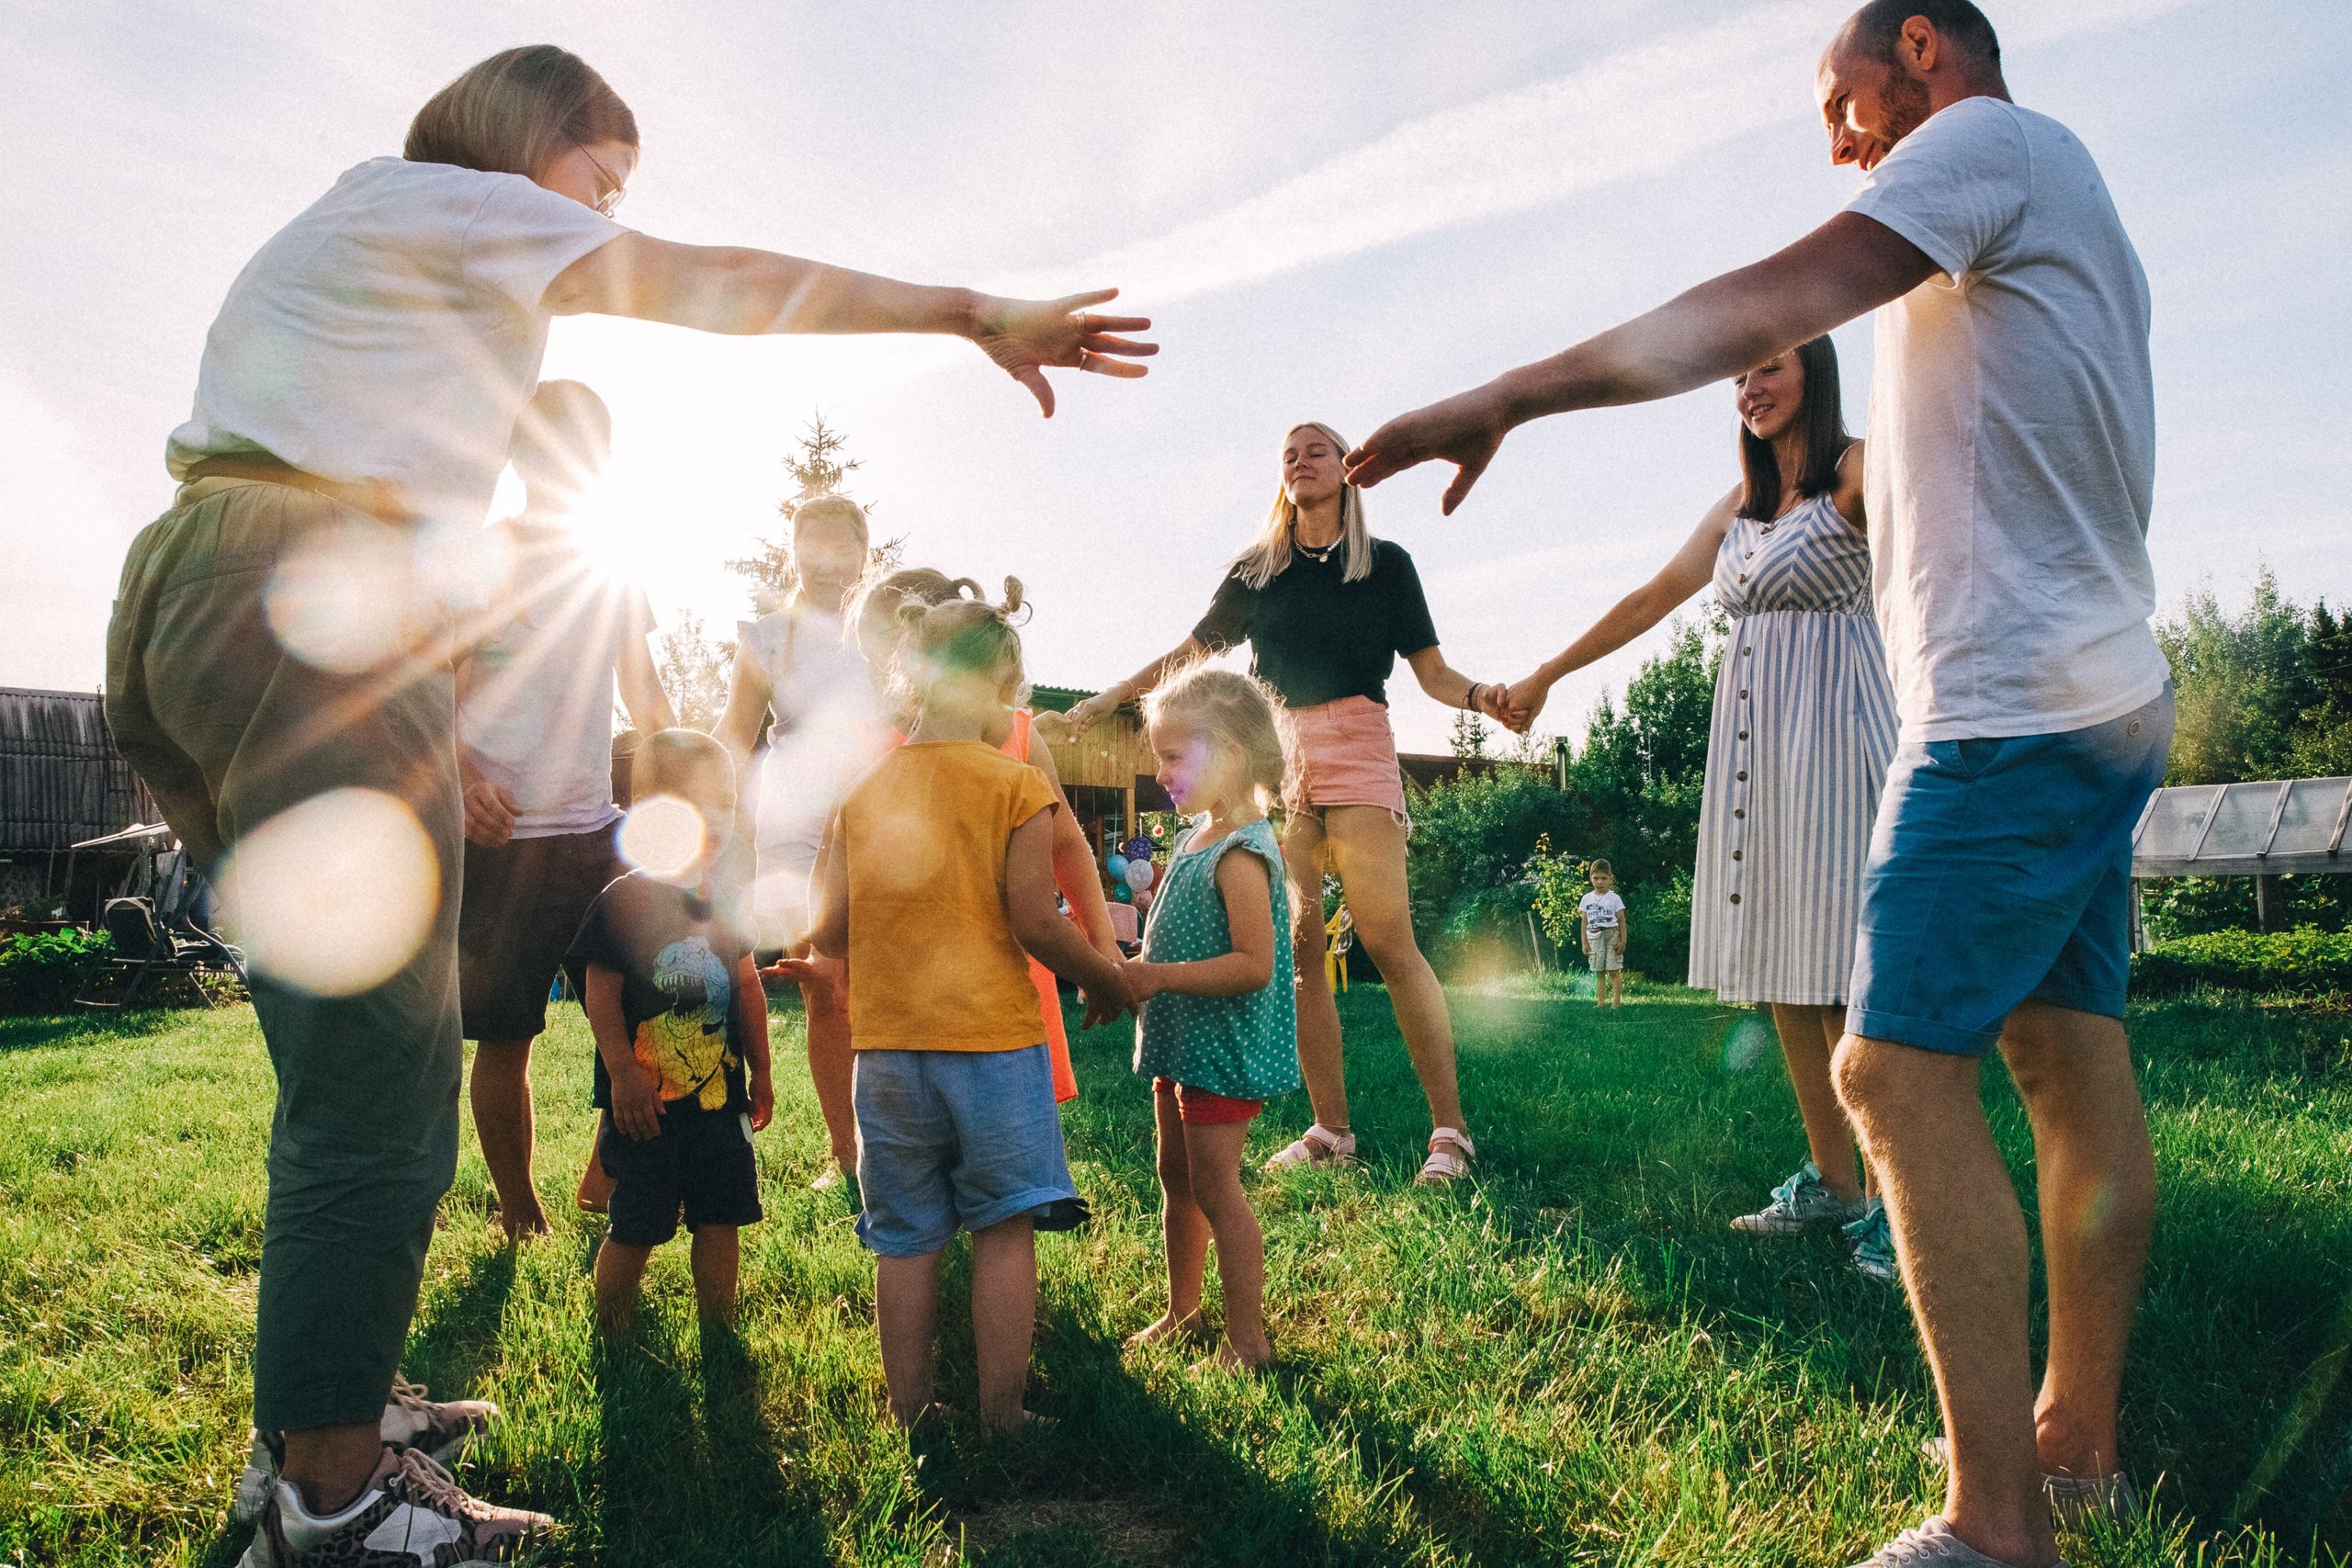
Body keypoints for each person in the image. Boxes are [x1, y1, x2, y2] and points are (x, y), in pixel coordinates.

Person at [102, 43, 1156, 1559]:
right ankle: (334, 1506)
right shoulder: (463, 204)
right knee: (382, 1080)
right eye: (601, 177)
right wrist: (972, 313)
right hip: (291, 580)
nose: (604, 212)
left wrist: (426, 713)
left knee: (329, 1060)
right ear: (535, 146)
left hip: (196, 591)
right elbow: (707, 282)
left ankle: (337, 1403)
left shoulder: (375, 236)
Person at [1345, 5, 2168, 1564]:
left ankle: (1995, 1527)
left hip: (2005, 713)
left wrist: (1508, 393)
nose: (1841, 141)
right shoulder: (2068, 191)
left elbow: (1763, 304)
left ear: (1919, 49)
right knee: (2065, 1060)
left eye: (1840, 103)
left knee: (1892, 1074)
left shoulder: (1982, 143)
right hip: (2098, 688)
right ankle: (2074, 1440)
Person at [1501, 337, 1895, 1258]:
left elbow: (1950, 543)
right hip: (1755, 747)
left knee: (1847, 978)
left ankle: (1895, 1206)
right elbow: (1651, 598)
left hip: (1838, 737)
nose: (1749, 388)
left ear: (1815, 375)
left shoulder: (1858, 473)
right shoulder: (1742, 505)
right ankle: (1833, 1184)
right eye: (1740, 375)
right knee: (1785, 977)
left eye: (1769, 368)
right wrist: (1550, 671)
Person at [1065, 423, 1514, 1184]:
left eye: (1317, 450)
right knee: (1300, 953)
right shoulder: (1258, 570)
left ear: (1348, 469)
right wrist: (1110, 696)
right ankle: (1331, 1129)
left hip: (1359, 743)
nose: (1301, 460)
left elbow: (1431, 673)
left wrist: (1482, 698)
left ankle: (1450, 1132)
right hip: (1281, 756)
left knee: (1386, 938)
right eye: (1288, 454)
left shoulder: (1387, 565)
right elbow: (1192, 652)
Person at [808, 587, 1132, 1428]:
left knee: (906, 1235)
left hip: (884, 1056)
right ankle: (1004, 1414)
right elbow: (1033, 916)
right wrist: (1104, 973)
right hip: (991, 1050)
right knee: (1003, 1226)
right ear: (998, 687)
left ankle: (910, 1412)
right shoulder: (1014, 784)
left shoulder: (864, 790)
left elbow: (828, 927)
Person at [456, 379, 675, 1244]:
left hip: (598, 835)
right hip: (504, 839)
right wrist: (464, 778)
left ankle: (603, 1173)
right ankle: (519, 1208)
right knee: (505, 1035)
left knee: (651, 1011)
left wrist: (687, 793)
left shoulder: (611, 565)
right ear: (517, 455)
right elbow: (436, 695)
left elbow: (648, 699)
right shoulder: (483, 561)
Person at [1121, 666, 1299, 1371]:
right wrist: (1133, 962)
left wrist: (1157, 974)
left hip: (1220, 1050)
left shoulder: (1242, 850)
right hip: (1180, 1043)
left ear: (1228, 748)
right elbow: (1181, 937)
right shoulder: (1197, 835)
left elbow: (1254, 963)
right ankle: (1183, 1308)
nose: (1158, 771)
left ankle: (1248, 1340)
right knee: (1176, 1176)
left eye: (1172, 755)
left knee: (1217, 1188)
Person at [568, 729, 774, 1337]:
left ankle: (719, 1327)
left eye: (724, 803)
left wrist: (761, 1071)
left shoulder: (726, 901)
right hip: (645, 1112)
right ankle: (612, 1332)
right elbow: (599, 992)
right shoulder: (623, 900)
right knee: (636, 1224)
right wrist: (624, 1073)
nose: (714, 820)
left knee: (721, 1219)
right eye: (693, 803)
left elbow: (749, 986)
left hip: (718, 1106)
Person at [714, 494, 886, 1184]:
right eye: (808, 548)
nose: (824, 562)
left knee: (886, 978)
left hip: (883, 820)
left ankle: (901, 1139)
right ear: (793, 553)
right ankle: (845, 1152)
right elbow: (733, 735)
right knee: (822, 983)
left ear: (862, 552)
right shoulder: (766, 638)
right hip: (795, 827)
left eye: (839, 547)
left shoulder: (889, 629)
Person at [1577, 860, 1628, 1010]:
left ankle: (1616, 1004)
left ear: (1610, 879)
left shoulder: (1614, 898)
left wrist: (1622, 942)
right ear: (1591, 878)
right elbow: (1584, 922)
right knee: (1599, 971)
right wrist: (1584, 943)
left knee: (1613, 970)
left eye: (1604, 878)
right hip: (1594, 936)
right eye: (1596, 878)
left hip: (1611, 935)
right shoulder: (1587, 898)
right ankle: (1601, 1003)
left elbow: (1622, 921)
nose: (1599, 882)